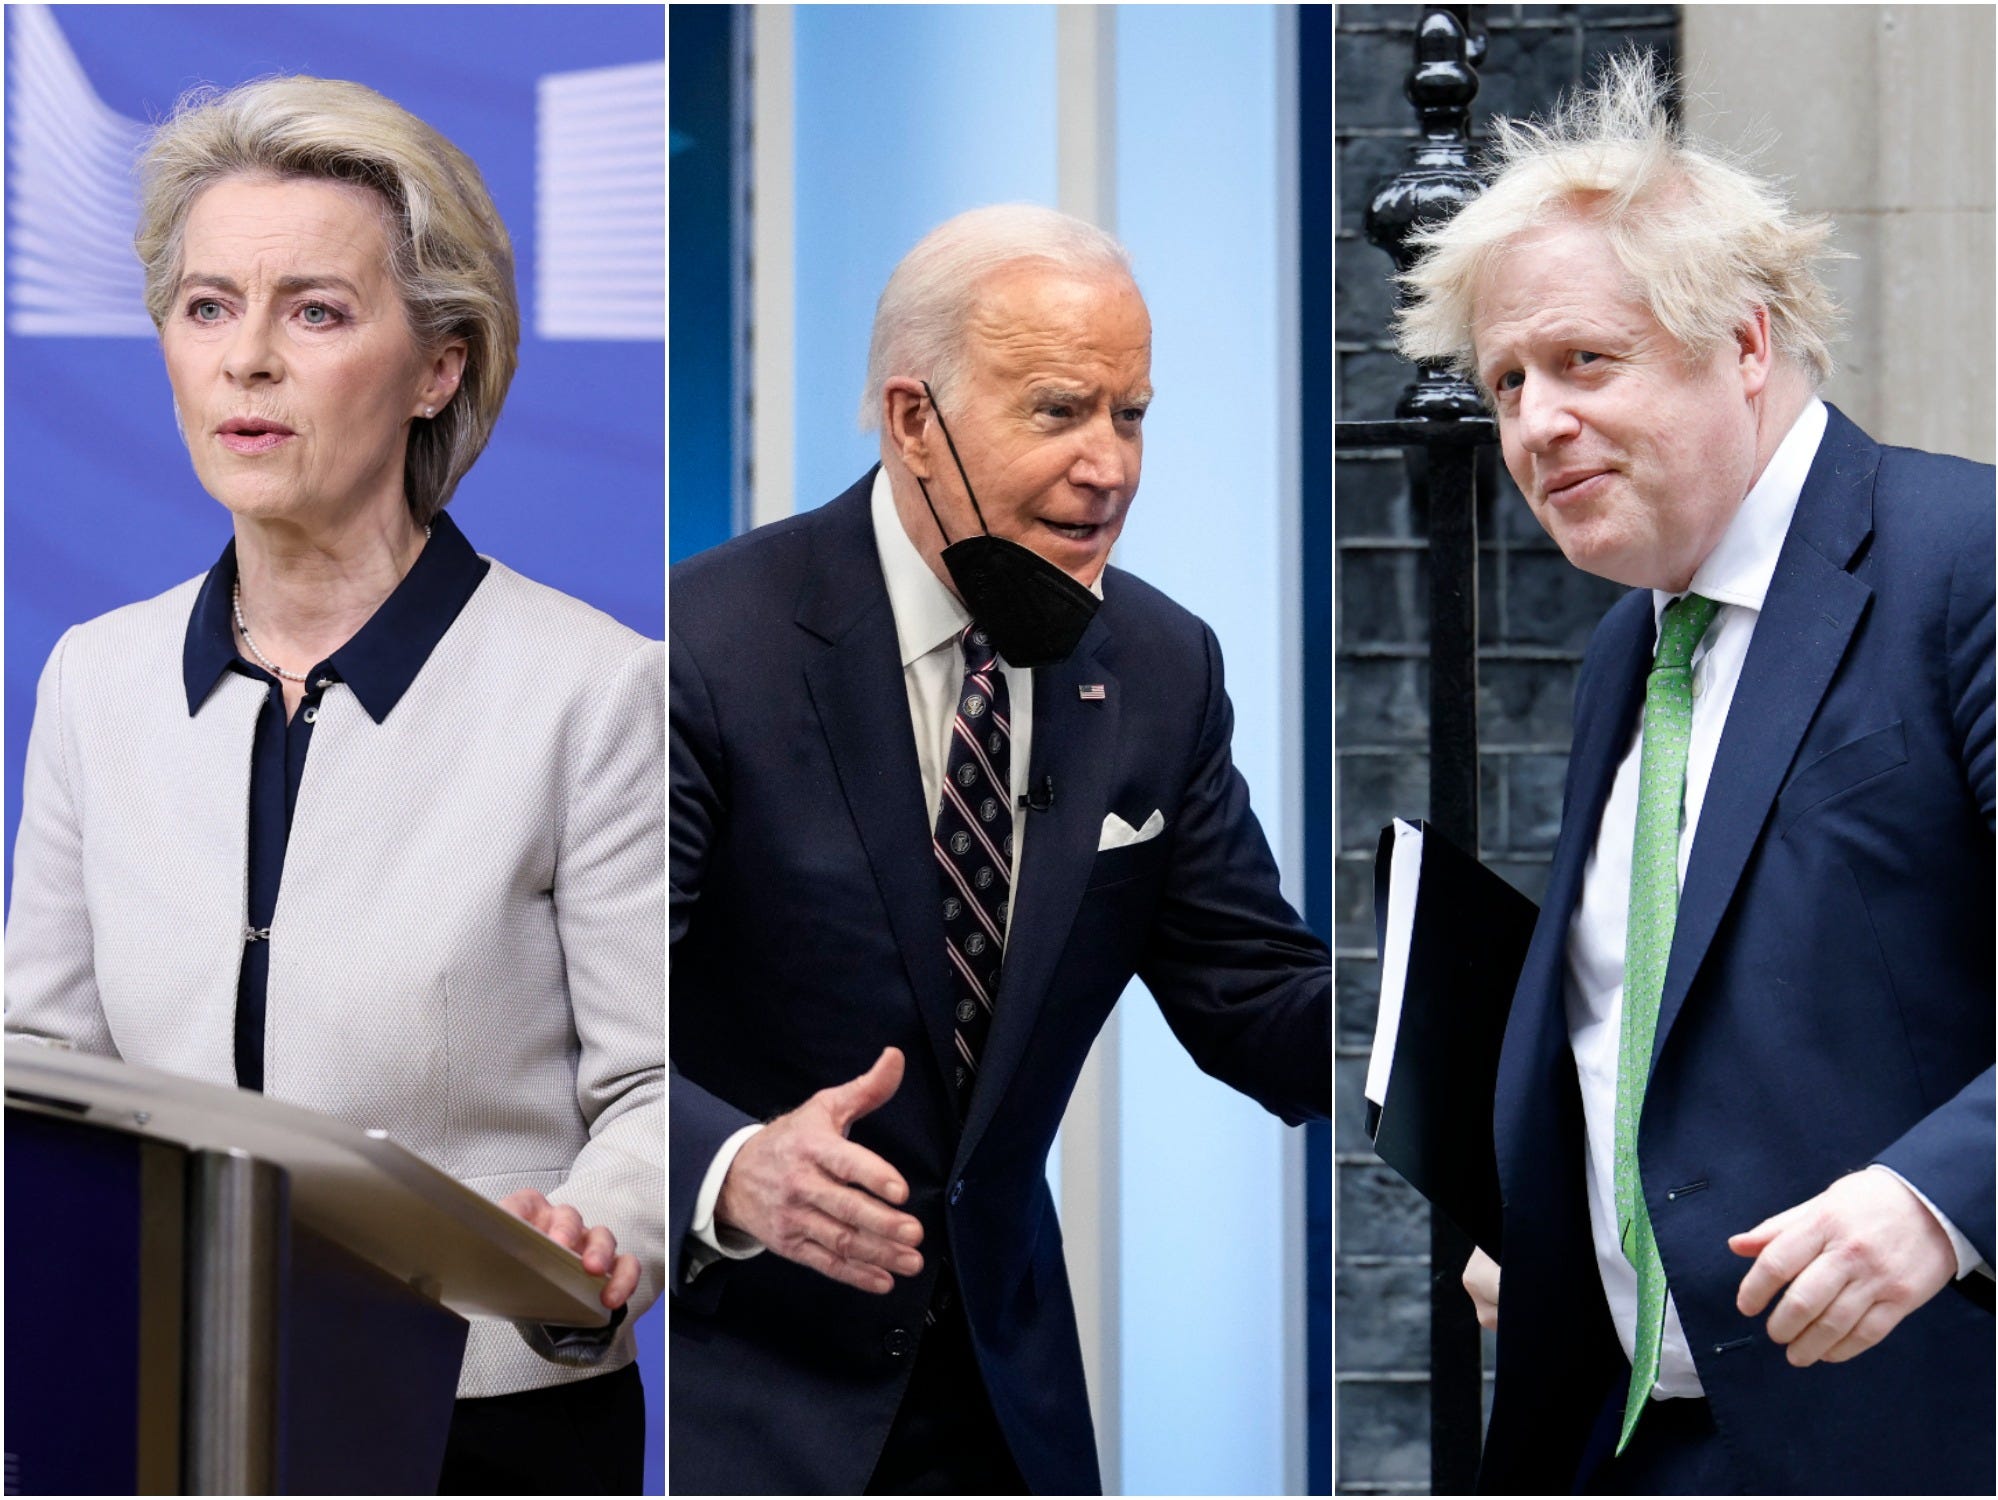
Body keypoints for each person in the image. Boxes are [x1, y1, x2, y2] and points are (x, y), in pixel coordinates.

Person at [2, 77, 661, 1494]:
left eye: (313, 311)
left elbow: (661, 1085)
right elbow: (41, 1069)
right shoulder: (93, 680)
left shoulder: (593, 689)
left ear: (439, 366)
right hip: (151, 1409)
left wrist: (605, 1231)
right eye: (205, 307)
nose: (246, 361)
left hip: (479, 1426)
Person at [1394, 54, 1994, 1493]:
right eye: (1507, 383)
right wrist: (1555, 1225)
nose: (1533, 424)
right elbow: (1648, 1020)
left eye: (1583, 360)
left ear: (1741, 341)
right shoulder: (1629, 649)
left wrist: (1941, 1199)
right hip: (1626, 1442)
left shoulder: (1961, 562)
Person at [669, 203, 1330, 1494]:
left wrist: (1481, 1025)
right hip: (741, 1403)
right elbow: (587, 1019)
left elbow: (1255, 995)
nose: (1111, 467)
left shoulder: (1159, 663)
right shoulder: (704, 648)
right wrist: (730, 1167)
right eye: (1059, 411)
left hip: (1005, 1419)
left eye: (1130, 414)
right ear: (915, 421)